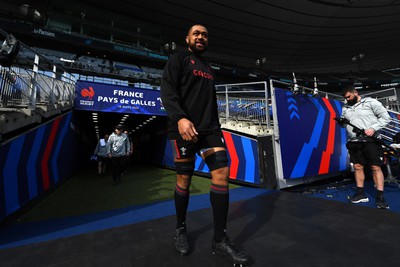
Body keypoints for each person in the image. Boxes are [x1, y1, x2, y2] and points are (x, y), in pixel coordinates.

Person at [160, 24, 248, 265]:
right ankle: (180, 229)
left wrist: (217, 128)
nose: (201, 37)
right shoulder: (178, 58)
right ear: (187, 38)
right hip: (183, 129)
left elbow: (209, 101)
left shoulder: (208, 68)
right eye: (196, 33)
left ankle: (219, 239)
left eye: (205, 34)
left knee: (221, 171)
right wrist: (180, 118)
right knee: (184, 181)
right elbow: (167, 90)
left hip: (209, 130)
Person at [340, 85, 391, 209]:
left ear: (355, 92)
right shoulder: (345, 108)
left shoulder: (371, 102)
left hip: (371, 141)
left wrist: (373, 128)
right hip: (354, 142)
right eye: (345, 98)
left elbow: (386, 118)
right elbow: (344, 123)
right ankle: (361, 194)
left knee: (375, 167)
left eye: (349, 97)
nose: (347, 100)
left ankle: (379, 196)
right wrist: (341, 123)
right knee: (357, 167)